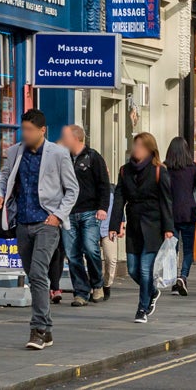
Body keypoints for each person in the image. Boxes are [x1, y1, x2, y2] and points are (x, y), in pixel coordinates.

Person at [0, 109, 79, 349]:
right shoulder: (14, 152)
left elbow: (72, 190)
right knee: (33, 275)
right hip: (22, 223)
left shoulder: (59, 154)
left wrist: (58, 216)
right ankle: (48, 330)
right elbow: (3, 177)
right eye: (23, 129)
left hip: (46, 224)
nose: (25, 133)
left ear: (42, 131)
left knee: (39, 274)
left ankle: (38, 330)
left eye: (30, 129)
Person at [109, 131, 175, 324]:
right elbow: (119, 198)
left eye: (140, 146)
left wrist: (168, 228)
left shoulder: (158, 170)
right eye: (134, 145)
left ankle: (142, 309)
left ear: (149, 149)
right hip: (134, 225)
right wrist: (115, 224)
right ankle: (152, 291)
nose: (136, 149)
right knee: (133, 269)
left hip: (154, 226)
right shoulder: (125, 170)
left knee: (146, 270)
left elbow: (166, 201)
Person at [57, 125, 110, 307]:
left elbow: (104, 184)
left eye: (66, 137)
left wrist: (103, 207)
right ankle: (81, 292)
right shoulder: (62, 158)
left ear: (76, 138)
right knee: (72, 254)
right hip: (67, 213)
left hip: (89, 211)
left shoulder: (93, 157)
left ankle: (97, 284)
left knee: (90, 248)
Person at [163, 137, 196, 295]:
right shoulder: (192, 167)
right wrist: (193, 201)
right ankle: (183, 276)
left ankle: (174, 281)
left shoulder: (165, 167)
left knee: (171, 250)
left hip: (170, 214)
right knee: (188, 249)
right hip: (189, 213)